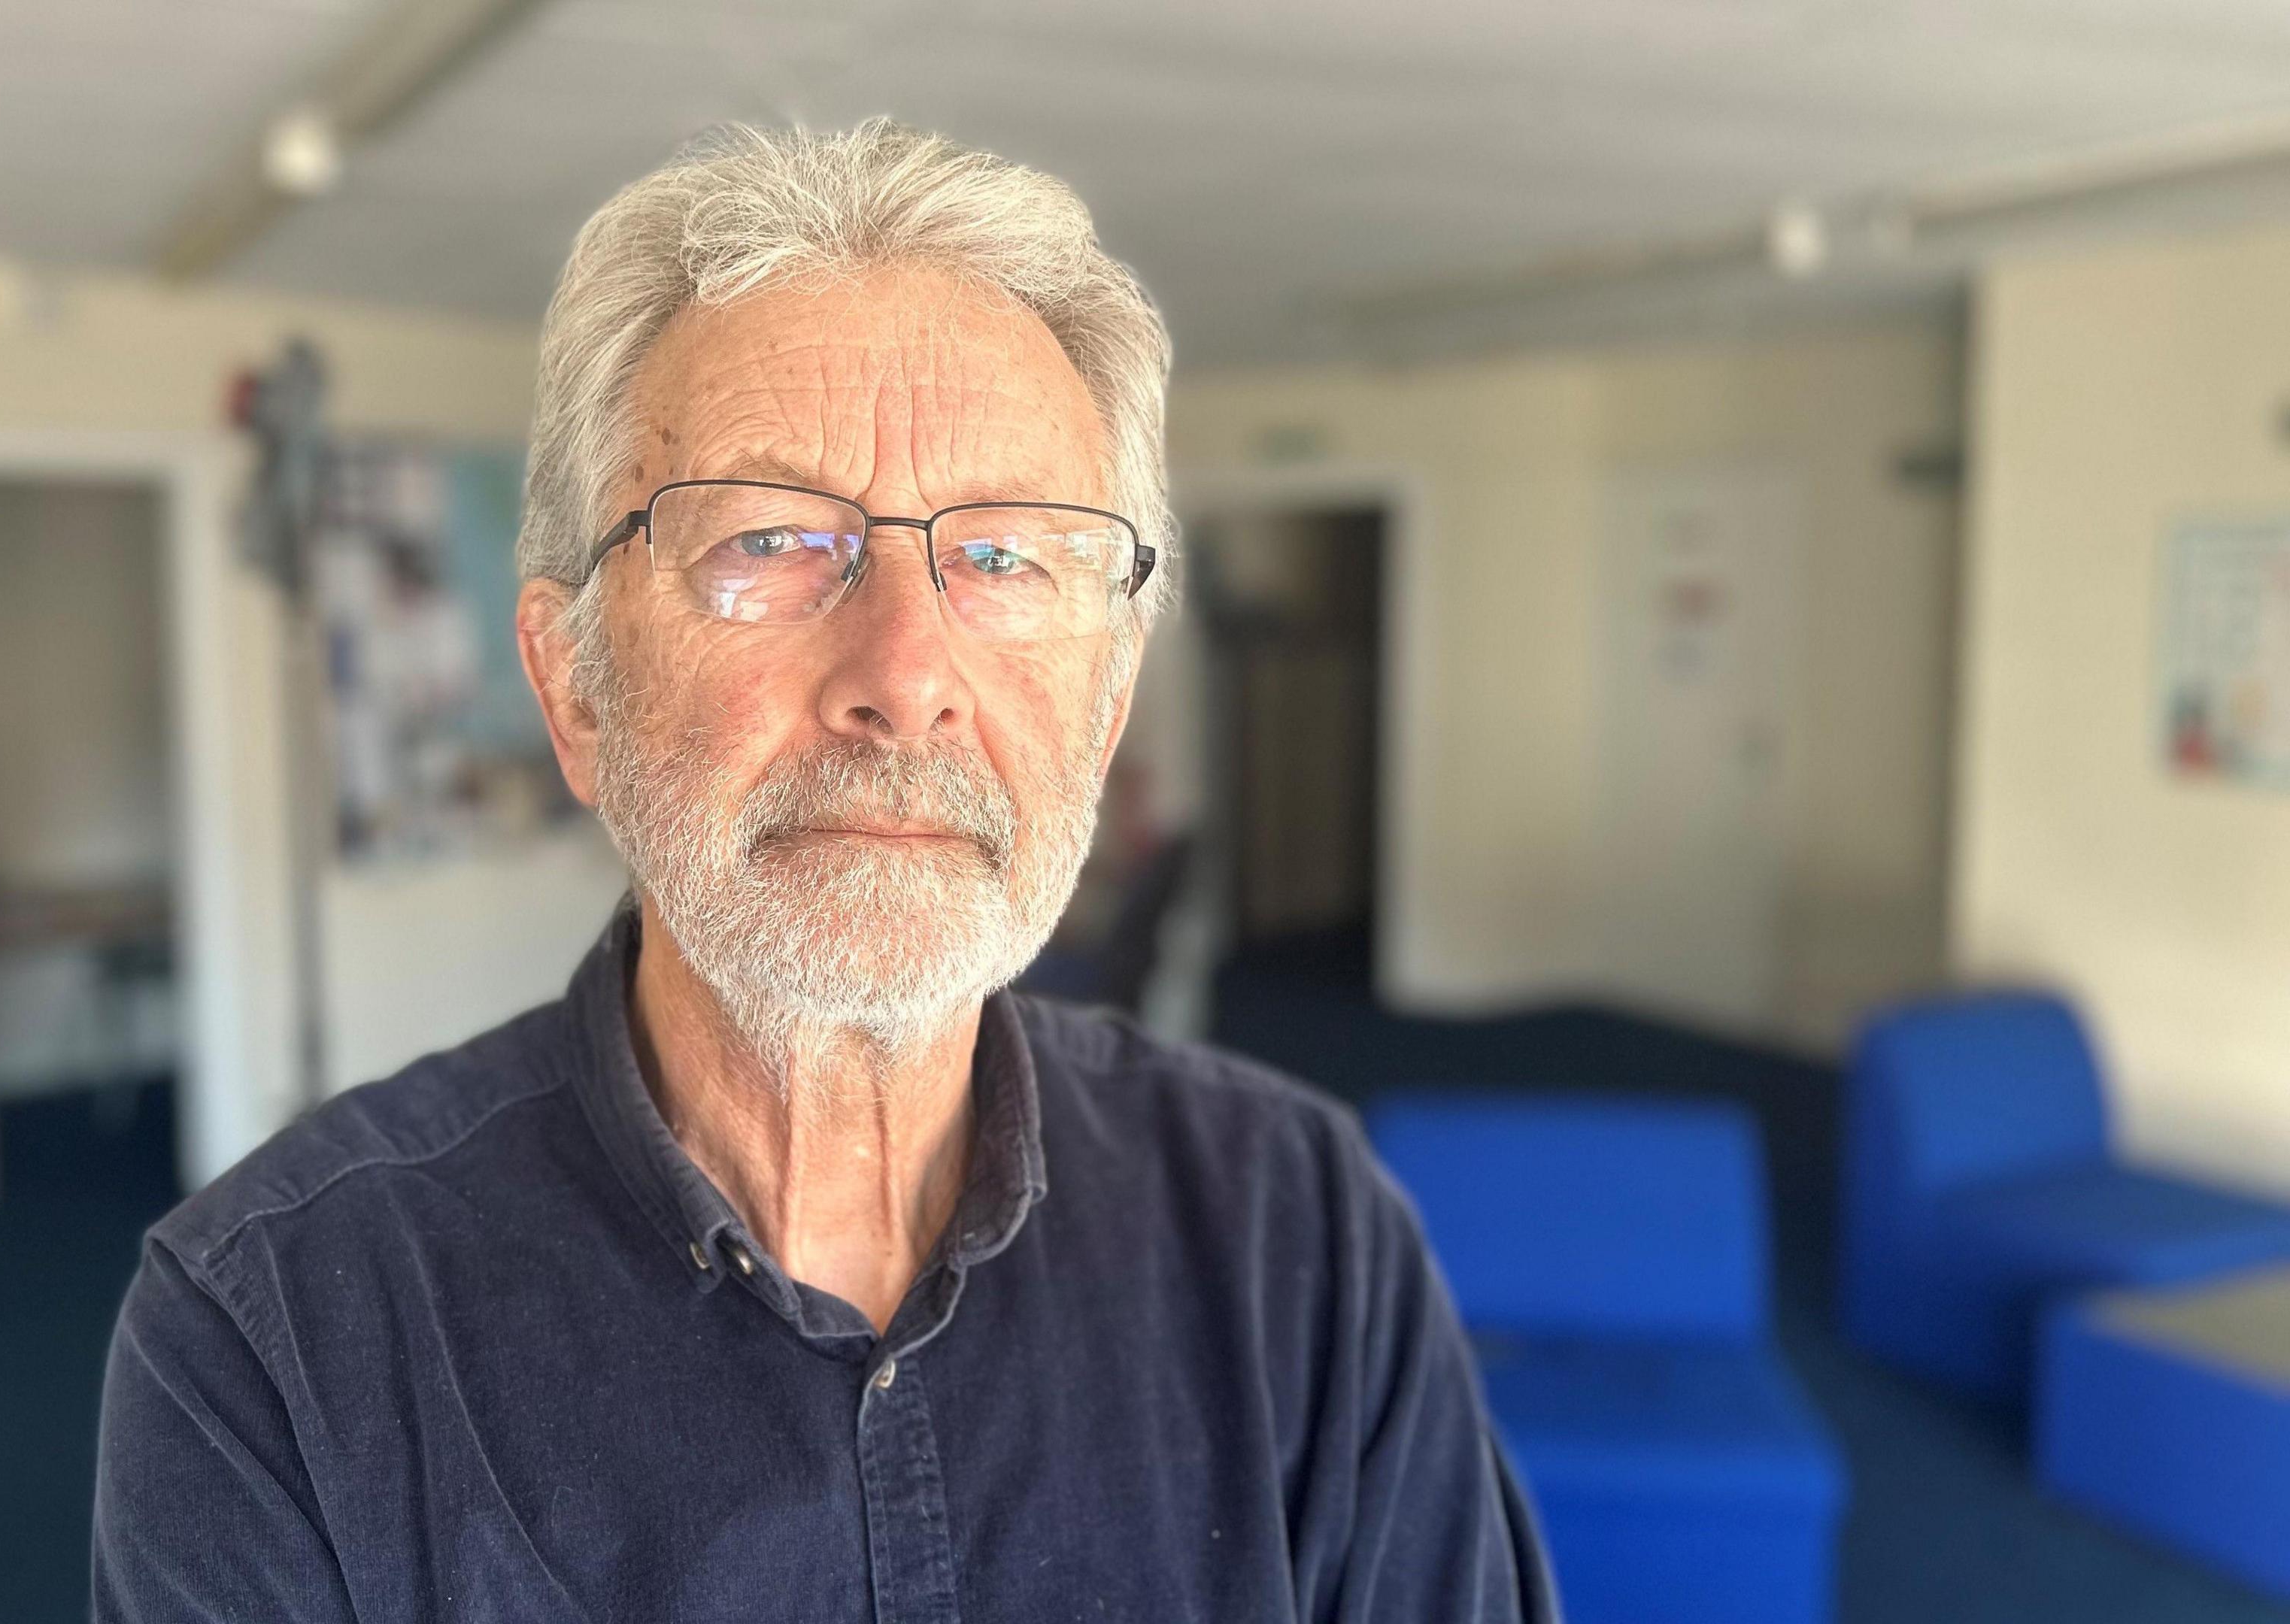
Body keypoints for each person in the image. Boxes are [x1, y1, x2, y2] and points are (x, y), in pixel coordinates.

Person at [93, 120, 1554, 1623]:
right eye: (775, 541)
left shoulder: (1300, 1236)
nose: (906, 675)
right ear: (575, 686)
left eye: (1003, 559)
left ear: (1106, 706)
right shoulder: (272, 1340)